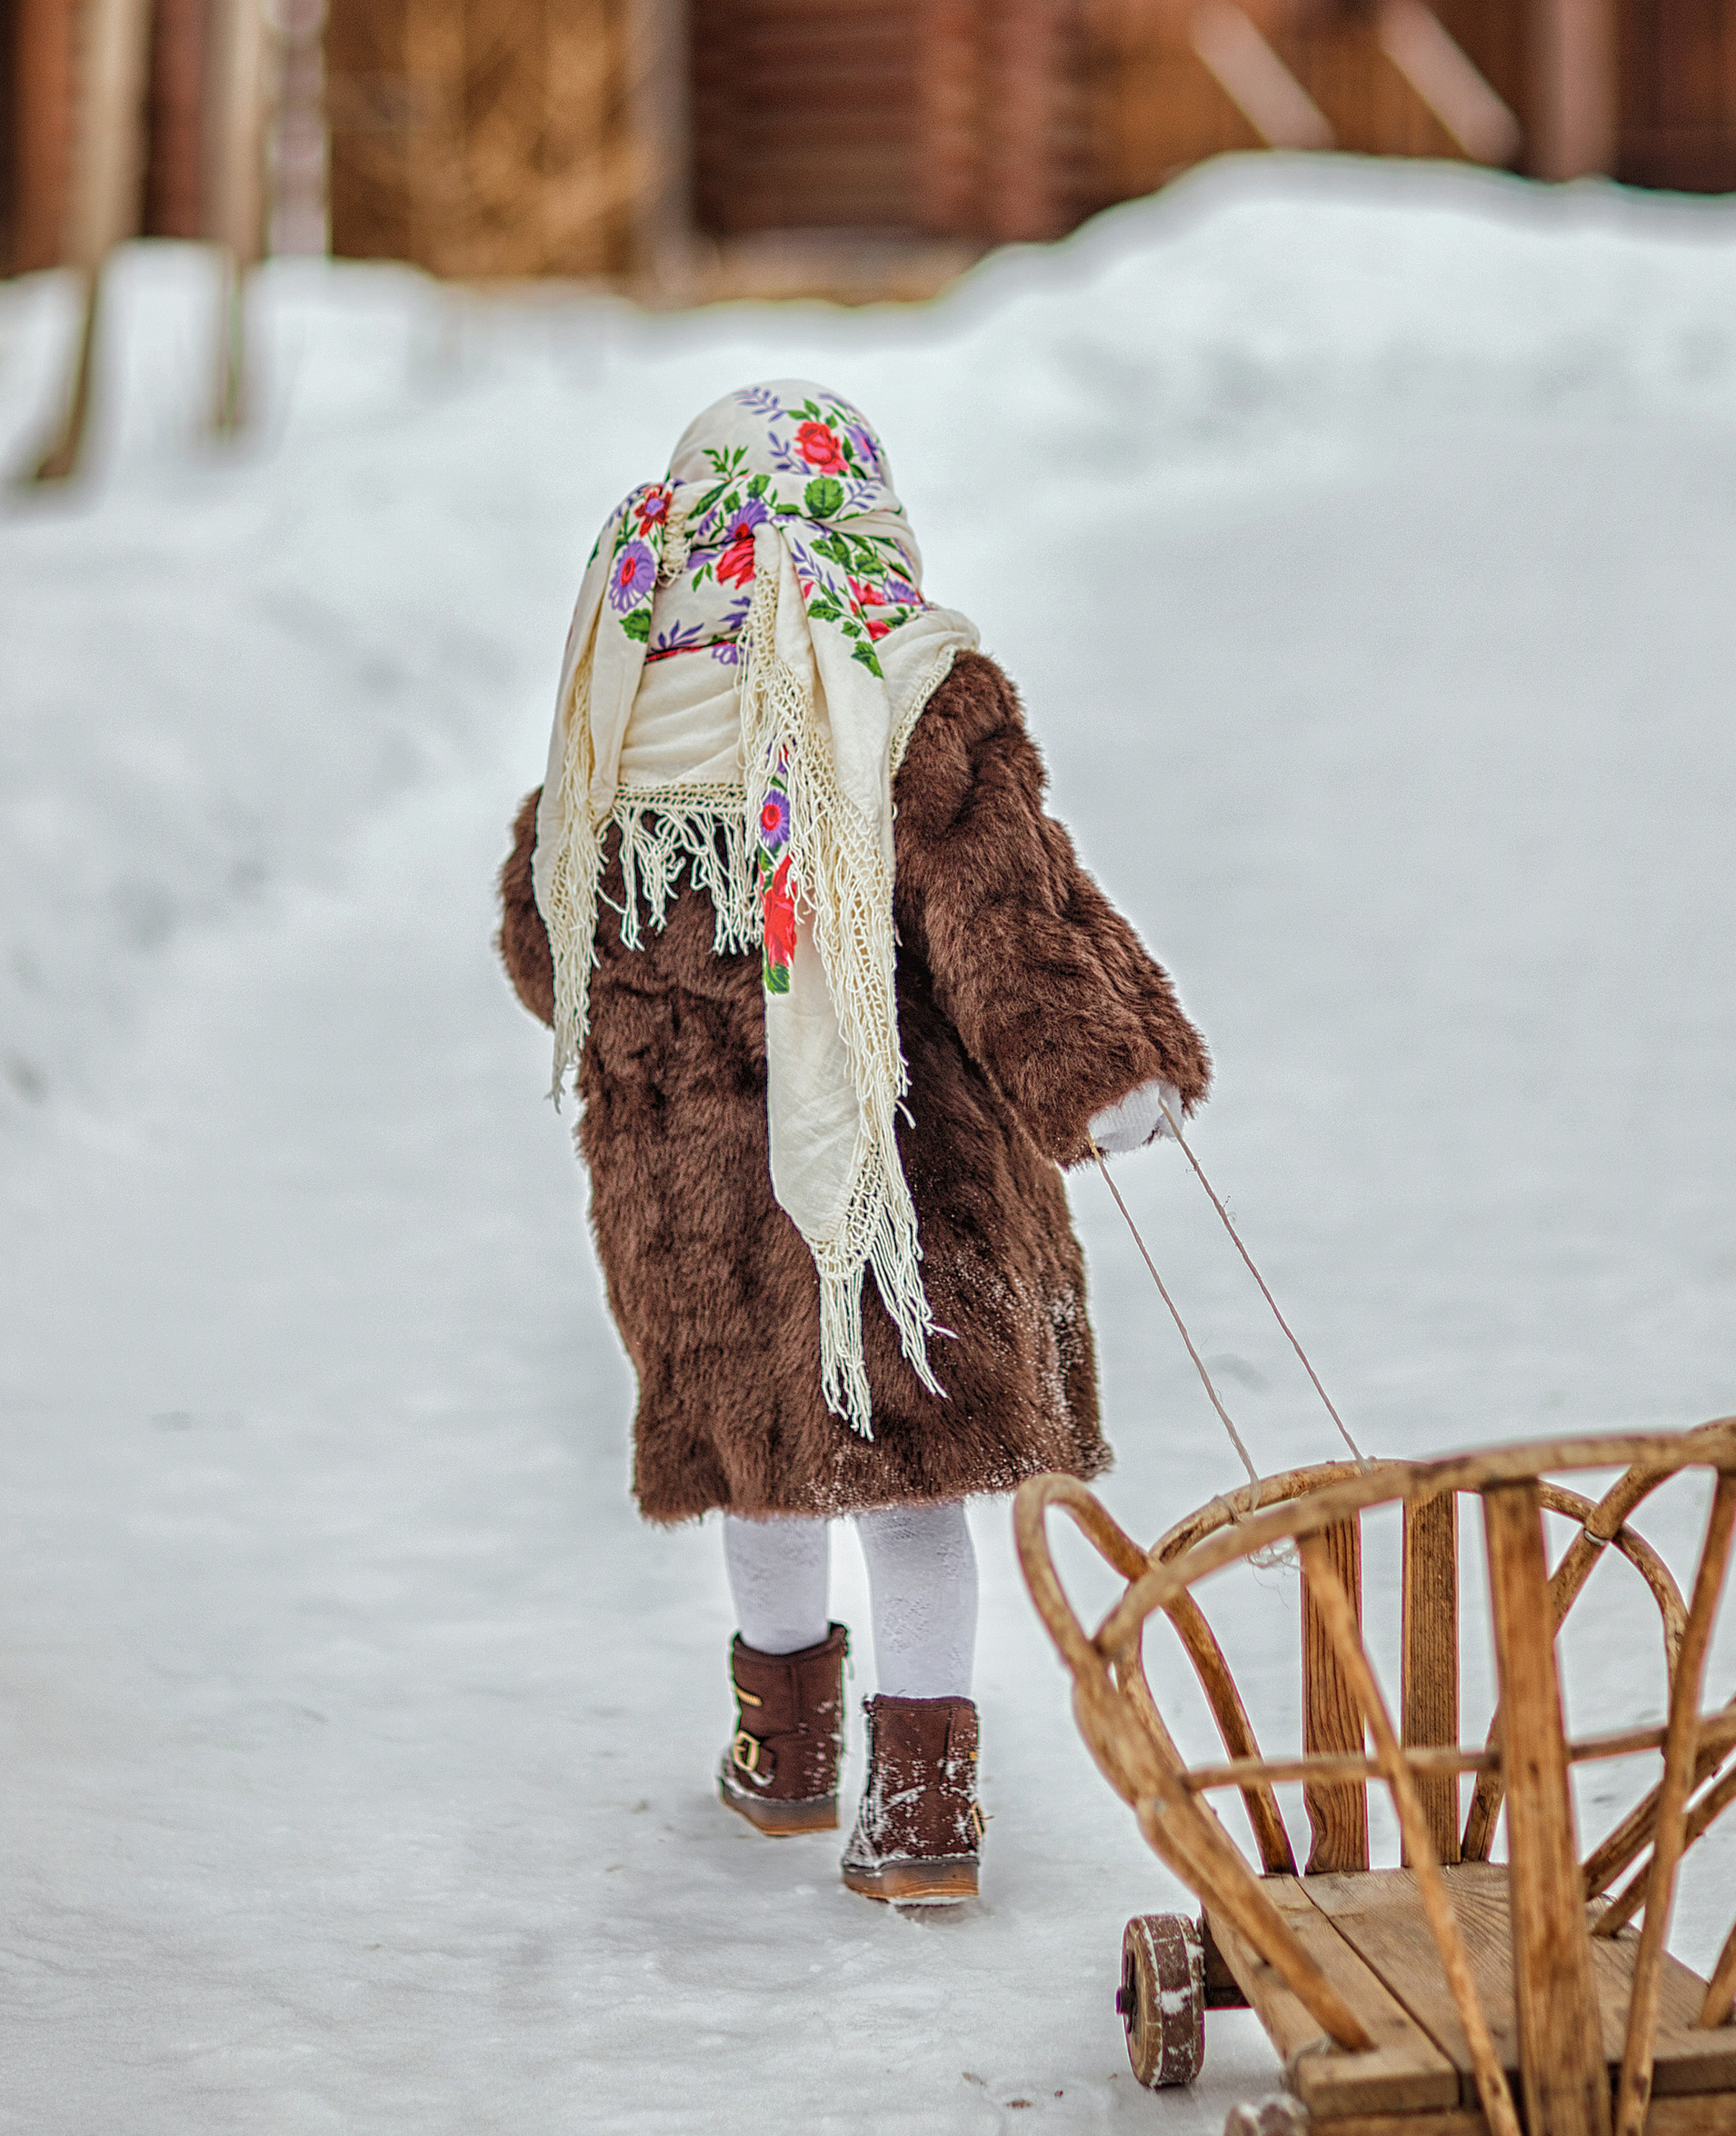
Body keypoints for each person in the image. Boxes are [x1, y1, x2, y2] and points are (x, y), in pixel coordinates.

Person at [494, 381, 1207, 1903]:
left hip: (688, 1203)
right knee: (909, 1479)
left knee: (761, 1465)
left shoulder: (621, 698)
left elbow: (537, 935)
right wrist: (1102, 1074)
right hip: (891, 1170)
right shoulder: (911, 683)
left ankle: (784, 1759)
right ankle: (926, 1818)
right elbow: (1009, 914)